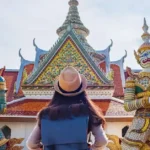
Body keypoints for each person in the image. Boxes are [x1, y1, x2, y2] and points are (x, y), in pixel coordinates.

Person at [26, 66, 108, 150]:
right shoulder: (88, 111)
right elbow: (102, 141)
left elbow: (31, 143)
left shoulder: (45, 114)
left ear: (58, 90)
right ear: (81, 90)